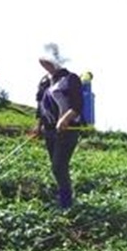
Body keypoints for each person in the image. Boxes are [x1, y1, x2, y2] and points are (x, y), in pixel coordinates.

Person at [32, 43, 84, 209]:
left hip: (67, 130)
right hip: (49, 129)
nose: (43, 64)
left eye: (46, 60)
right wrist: (38, 125)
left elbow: (78, 105)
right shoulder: (44, 81)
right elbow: (40, 105)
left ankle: (66, 202)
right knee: (56, 165)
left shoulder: (70, 78)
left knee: (58, 166)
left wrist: (65, 119)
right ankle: (63, 193)